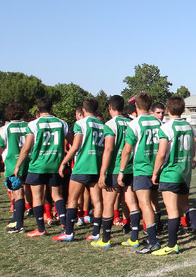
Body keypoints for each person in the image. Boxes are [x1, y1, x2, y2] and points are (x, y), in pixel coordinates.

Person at [14, 97, 72, 237]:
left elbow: (27, 147)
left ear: (38, 110)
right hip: (55, 165)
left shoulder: (33, 124)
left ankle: (41, 229)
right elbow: (72, 142)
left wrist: (18, 165)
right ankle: (64, 225)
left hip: (37, 165)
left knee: (37, 196)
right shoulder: (62, 123)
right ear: (52, 108)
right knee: (57, 196)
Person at [150, 96, 194, 256]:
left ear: (167, 110)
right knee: (184, 205)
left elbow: (161, 153)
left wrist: (155, 172)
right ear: (183, 110)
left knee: (172, 210)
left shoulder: (166, 127)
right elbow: (193, 150)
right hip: (185, 172)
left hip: (170, 173)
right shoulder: (189, 127)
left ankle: (172, 244)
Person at [119, 93, 162, 254]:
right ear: (151, 106)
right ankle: (155, 233)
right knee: (153, 202)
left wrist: (122, 171)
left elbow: (127, 150)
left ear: (136, 106)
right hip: (157, 168)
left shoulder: (134, 124)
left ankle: (153, 241)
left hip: (142, 169)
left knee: (145, 204)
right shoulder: (159, 122)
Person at [57, 98, 105, 242]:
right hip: (97, 166)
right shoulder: (102, 125)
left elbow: (76, 146)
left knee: (72, 200)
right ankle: (96, 232)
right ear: (96, 110)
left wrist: (64, 162)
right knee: (97, 201)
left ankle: (69, 232)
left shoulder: (80, 124)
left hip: (82, 167)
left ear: (83, 110)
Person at [99, 95, 140, 248]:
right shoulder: (131, 122)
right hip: (129, 168)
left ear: (110, 107)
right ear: (123, 108)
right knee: (131, 202)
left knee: (108, 203)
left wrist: (103, 173)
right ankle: (134, 238)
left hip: (115, 169)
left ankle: (105, 239)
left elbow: (109, 149)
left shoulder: (110, 124)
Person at [0, 104, 29, 233]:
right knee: (25, 192)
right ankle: (16, 218)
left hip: (12, 164)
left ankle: (19, 224)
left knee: (18, 193)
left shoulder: (5, 129)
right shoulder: (29, 126)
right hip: (29, 163)